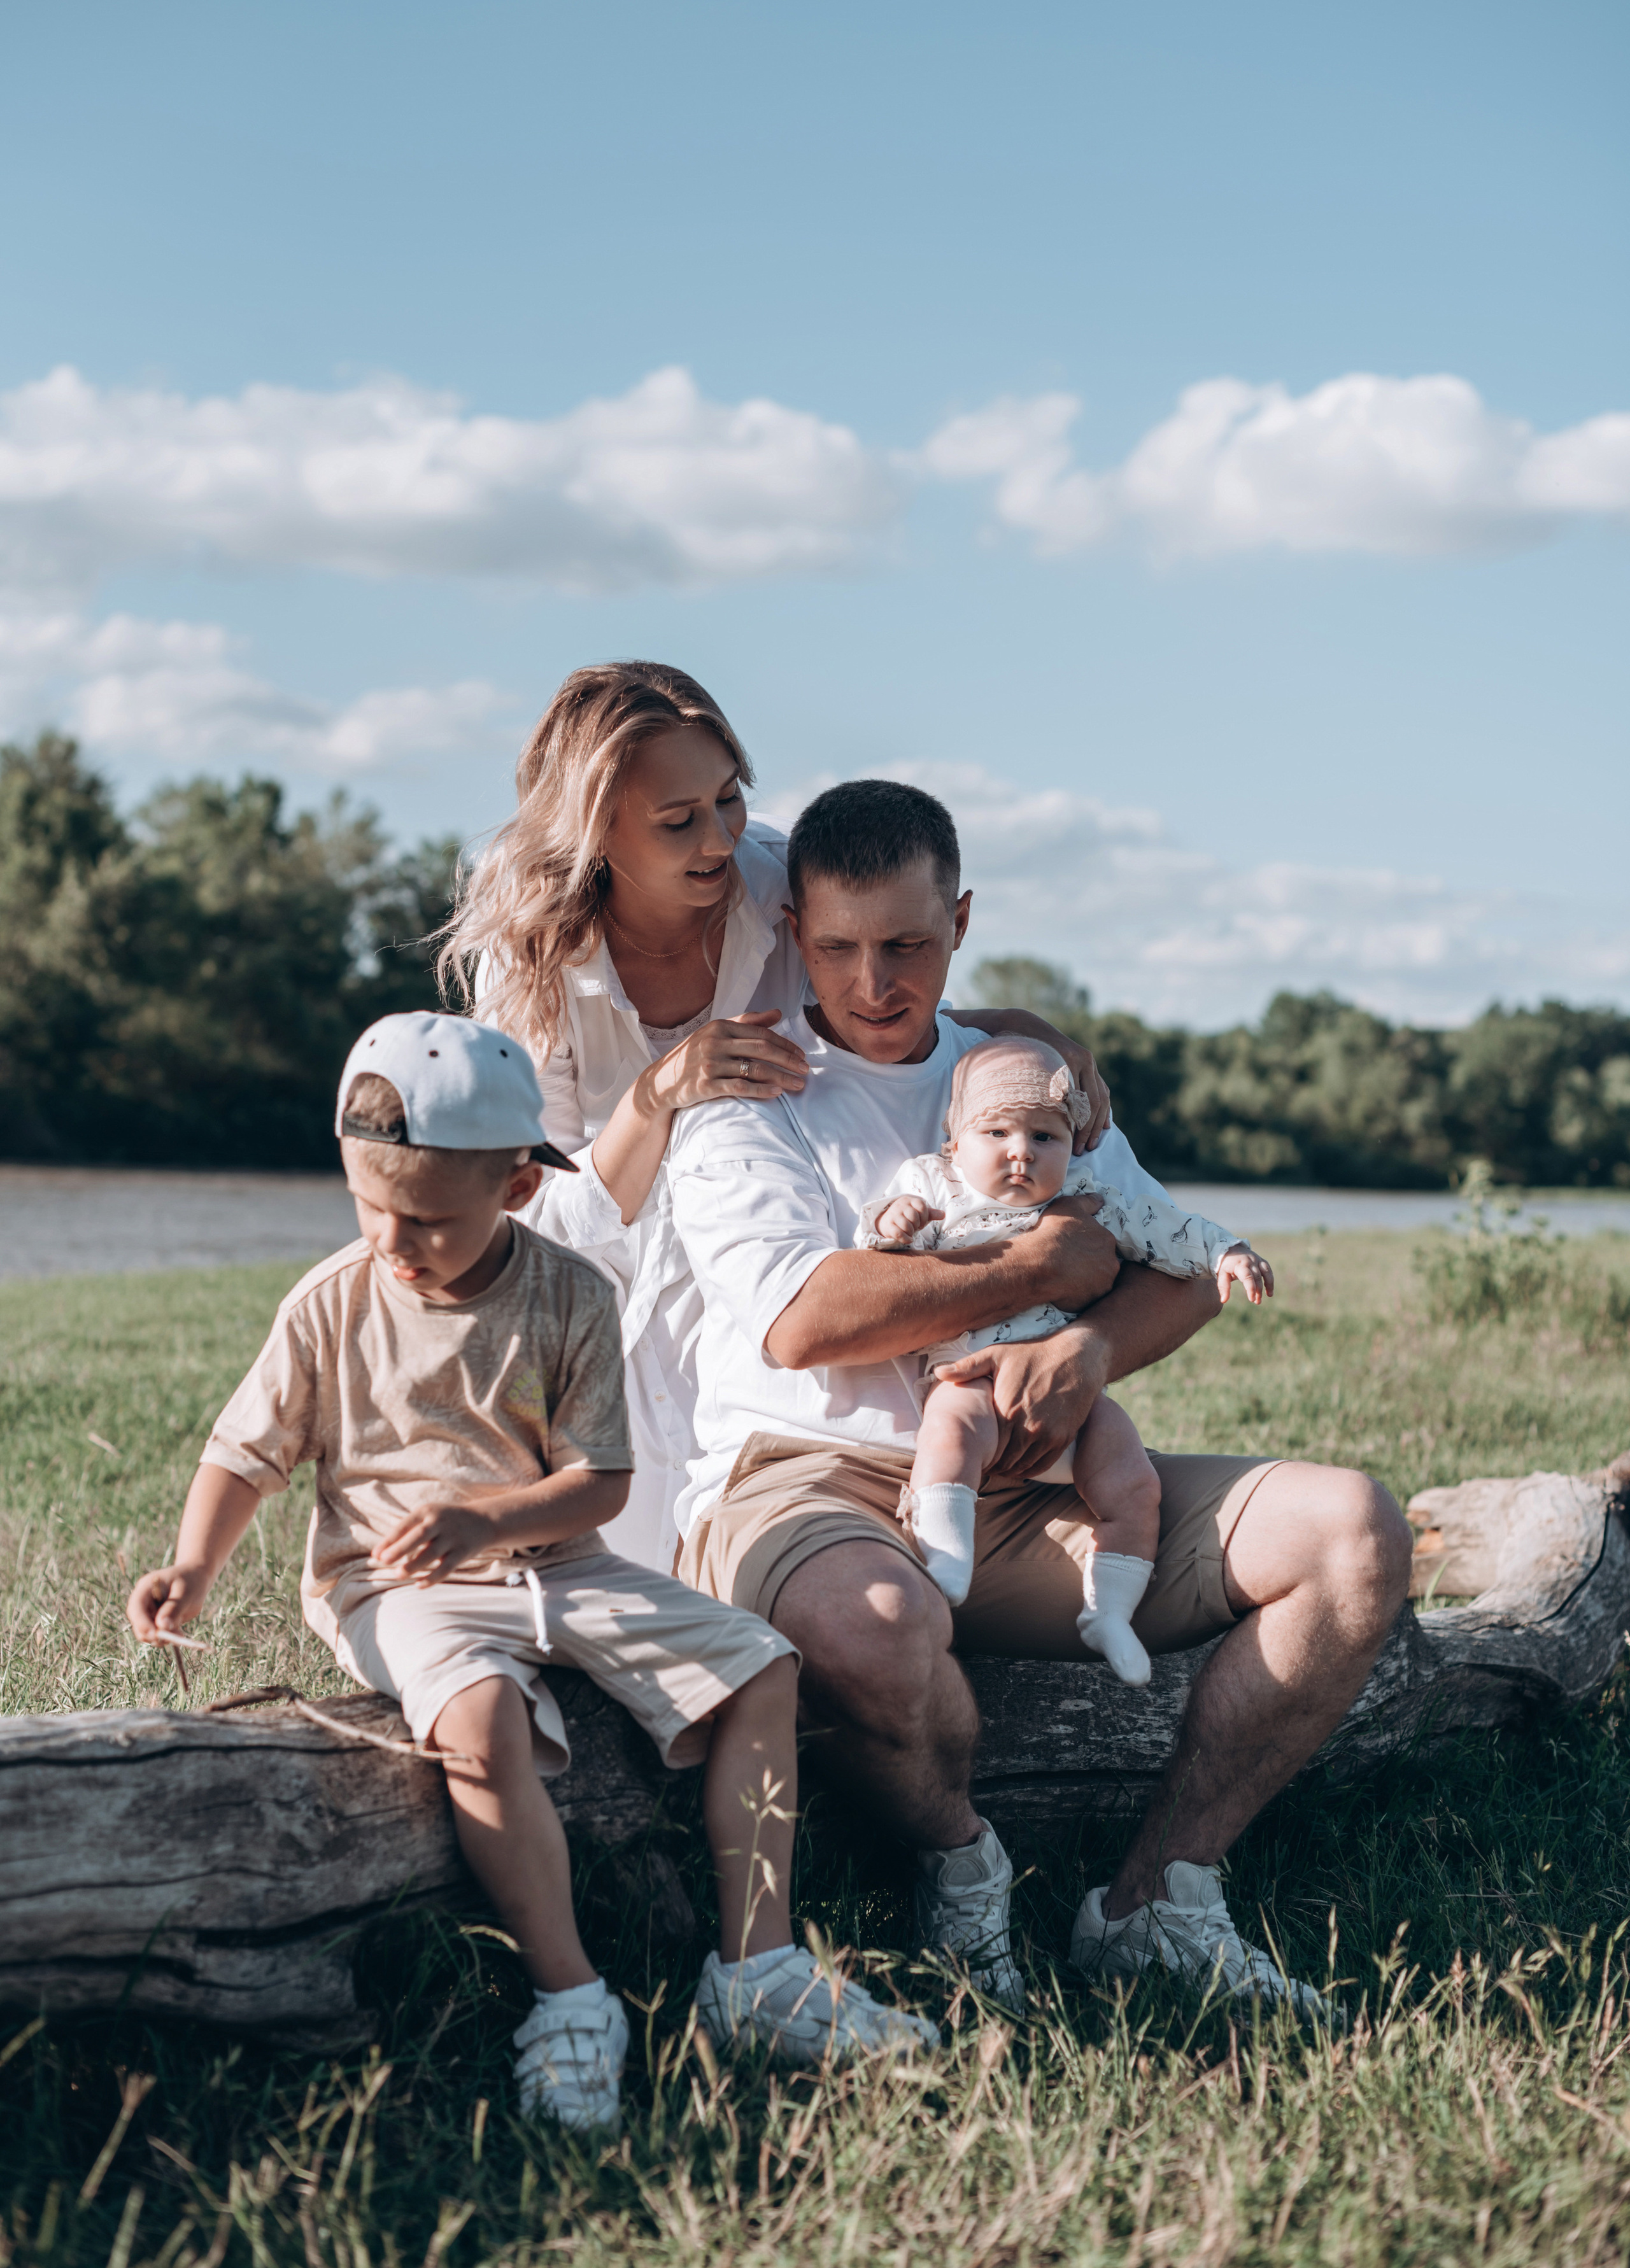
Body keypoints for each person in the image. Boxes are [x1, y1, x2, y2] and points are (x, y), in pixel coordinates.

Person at [665, 778, 1414, 2017]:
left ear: (959, 922)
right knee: (873, 1623)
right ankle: (963, 1864)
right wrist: (1036, 1268)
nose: (872, 982)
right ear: (794, 928)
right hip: (809, 1479)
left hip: (1037, 1476)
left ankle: (1152, 1902)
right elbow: (804, 1321)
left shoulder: (1026, 1080)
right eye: (840, 946)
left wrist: (1091, 1351)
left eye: (904, 944)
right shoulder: (748, 1091)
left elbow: (1166, 1264)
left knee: (1352, 1532)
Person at [126, 1011, 936, 2134]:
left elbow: (599, 1482)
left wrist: (493, 1517)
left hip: (561, 1556)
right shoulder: (331, 1300)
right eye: (369, 1205)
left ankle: (759, 1965)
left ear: (515, 1187)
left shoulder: (570, 1295)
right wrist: (191, 1563)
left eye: (423, 1218)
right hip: (394, 1580)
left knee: (761, 1664)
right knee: (478, 1715)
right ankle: (569, 1996)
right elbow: (243, 1451)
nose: (391, 1239)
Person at [439, 660, 1112, 1572]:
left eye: (729, 798)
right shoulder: (532, 961)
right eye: (678, 821)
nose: (720, 837)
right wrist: (658, 1096)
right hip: (593, 1287)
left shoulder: (771, 884)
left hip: (773, 1258)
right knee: (588, 1569)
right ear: (595, 834)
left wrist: (1020, 1029)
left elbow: (880, 1014)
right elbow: (528, 1216)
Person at [862, 1034, 1273, 1684]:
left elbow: (1165, 1227)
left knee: (1134, 1482)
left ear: (1071, 1145)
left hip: (1069, 1396)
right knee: (949, 1425)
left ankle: (1107, 1610)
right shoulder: (933, 1187)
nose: (1020, 1151)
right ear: (953, 1142)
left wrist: (1226, 1251)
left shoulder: (1087, 1197)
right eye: (995, 1132)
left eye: (1044, 1137)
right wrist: (892, 1222)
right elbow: (879, 1259)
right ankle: (943, 1553)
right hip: (973, 1375)